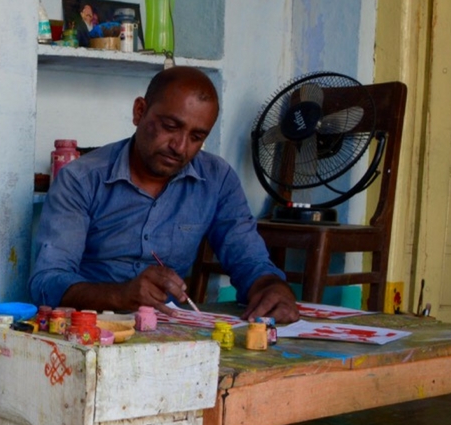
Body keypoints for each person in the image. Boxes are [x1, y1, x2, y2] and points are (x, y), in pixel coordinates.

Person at [29, 66, 299, 323]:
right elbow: (47, 283)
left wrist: (272, 287)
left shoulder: (217, 179)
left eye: (196, 137)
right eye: (170, 126)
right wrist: (121, 295)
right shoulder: (82, 179)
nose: (180, 147)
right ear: (139, 111)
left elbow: (249, 260)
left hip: (169, 332)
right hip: (89, 331)